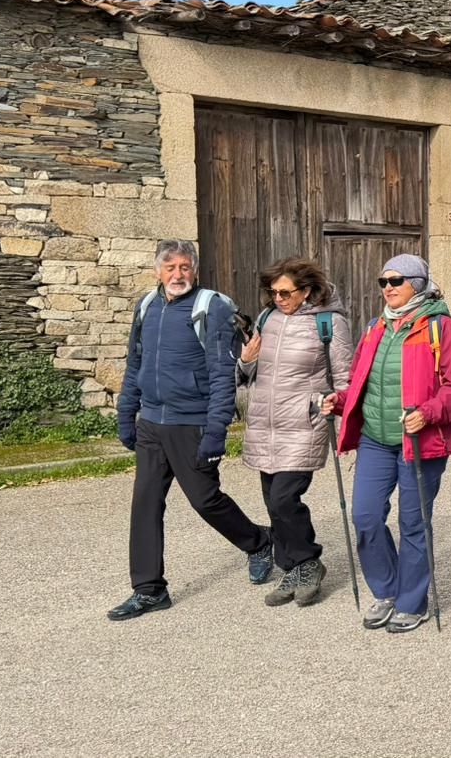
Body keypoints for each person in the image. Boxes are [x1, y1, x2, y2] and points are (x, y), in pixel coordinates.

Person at [109, 239, 272, 621]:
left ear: (194, 270)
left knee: (205, 499)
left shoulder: (211, 307)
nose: (177, 274)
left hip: (192, 422)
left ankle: (259, 541)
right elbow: (135, 364)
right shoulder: (146, 307)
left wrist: (216, 431)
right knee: (145, 505)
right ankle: (149, 590)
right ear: (158, 271)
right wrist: (125, 413)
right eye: (170, 268)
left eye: (184, 267)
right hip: (151, 421)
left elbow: (221, 375)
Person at [322, 254, 451, 633]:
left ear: (417, 284)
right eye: (383, 282)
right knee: (366, 516)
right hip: (375, 439)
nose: (387, 288)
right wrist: (338, 402)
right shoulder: (375, 328)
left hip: (419, 442)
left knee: (413, 521)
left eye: (396, 280)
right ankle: (386, 591)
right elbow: (359, 380)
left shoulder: (440, 327)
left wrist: (430, 412)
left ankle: (411, 602)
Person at [237, 257, 353, 607]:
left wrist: (337, 401)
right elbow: (249, 373)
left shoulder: (329, 323)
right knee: (273, 502)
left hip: (304, 423)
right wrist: (244, 360)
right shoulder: (267, 318)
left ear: (306, 291)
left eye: (285, 293)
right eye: (273, 293)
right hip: (265, 423)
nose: (278, 299)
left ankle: (308, 561)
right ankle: (291, 567)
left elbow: (346, 377)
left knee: (285, 498)